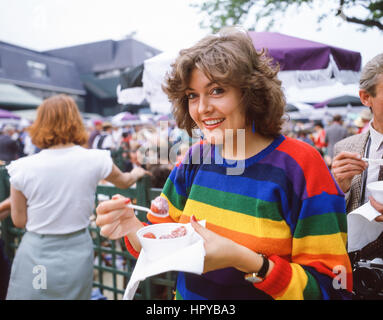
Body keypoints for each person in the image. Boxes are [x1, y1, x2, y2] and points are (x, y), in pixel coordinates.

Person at [96, 28, 352, 300]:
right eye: (192, 95)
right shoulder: (194, 159)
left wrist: (250, 262)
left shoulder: (301, 165)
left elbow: (334, 288)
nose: (202, 108)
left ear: (250, 93)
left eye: (216, 90)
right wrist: (132, 229)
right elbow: (161, 243)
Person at [5, 94, 149, 300]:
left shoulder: (21, 168)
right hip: (78, 249)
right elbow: (125, 181)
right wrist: (137, 173)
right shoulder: (95, 159)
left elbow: (19, 221)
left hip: (39, 251)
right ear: (75, 121)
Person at [332, 53, 383, 216]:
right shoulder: (345, 148)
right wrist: (339, 188)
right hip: (357, 241)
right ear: (366, 97)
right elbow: (333, 212)